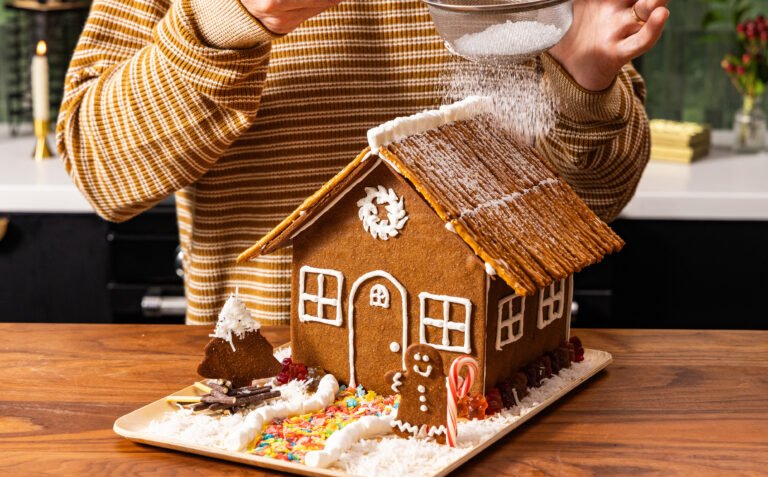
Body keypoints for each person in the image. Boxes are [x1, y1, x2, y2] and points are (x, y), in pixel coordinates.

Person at [56, 0, 669, 325]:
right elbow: (100, 171)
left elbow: (597, 202)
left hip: (499, 384)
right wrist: (228, 18)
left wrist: (584, 82)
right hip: (272, 397)